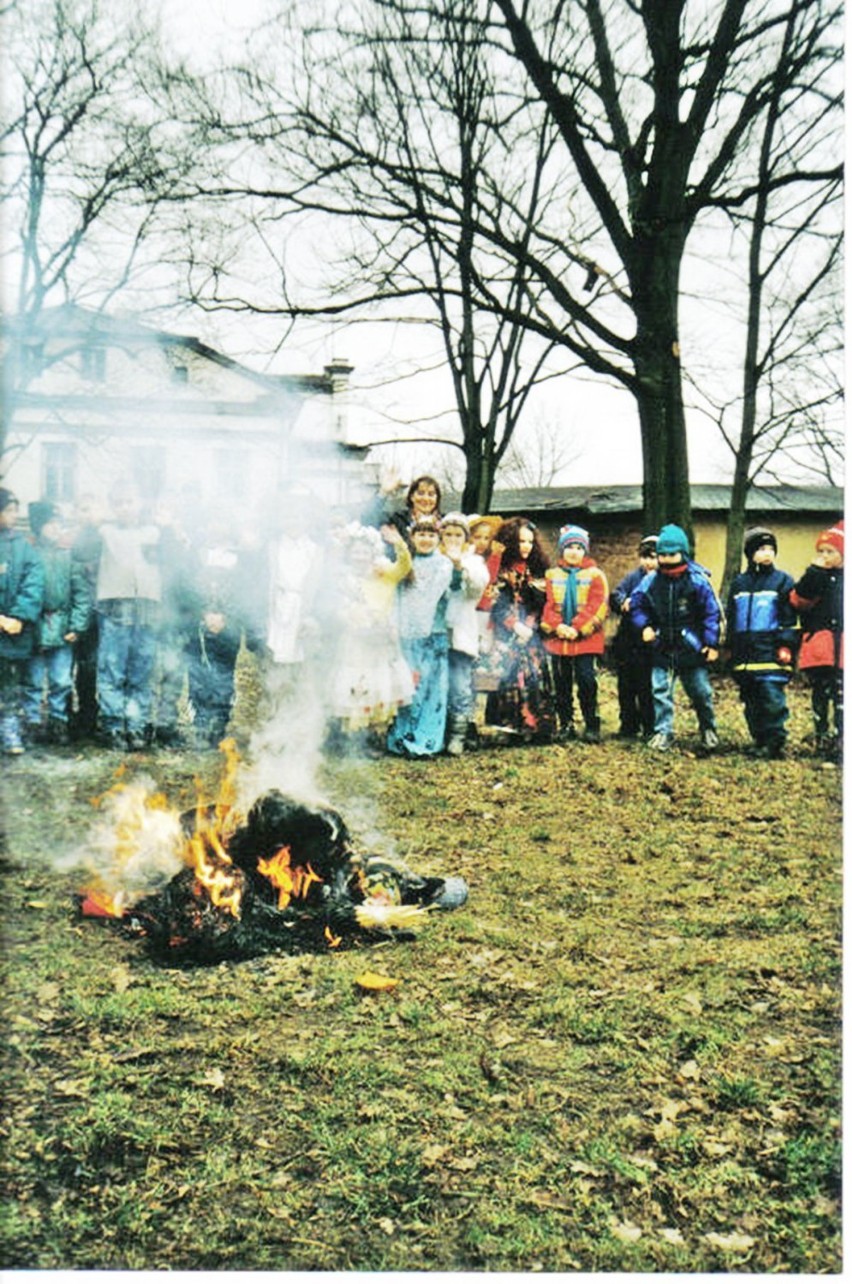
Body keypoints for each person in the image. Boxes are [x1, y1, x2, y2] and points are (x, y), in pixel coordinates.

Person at [629, 522, 722, 753]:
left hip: (691, 645)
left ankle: (708, 728)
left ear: (683, 553)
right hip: (662, 645)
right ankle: (663, 731)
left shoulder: (697, 580)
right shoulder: (650, 581)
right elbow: (636, 605)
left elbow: (712, 613)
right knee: (660, 691)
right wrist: (645, 626)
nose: (668, 559)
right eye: (663, 554)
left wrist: (711, 643)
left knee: (700, 692)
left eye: (672, 554)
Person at [325, 521, 414, 755]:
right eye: (355, 551)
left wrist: (399, 545)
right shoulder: (343, 579)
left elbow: (403, 568)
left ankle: (374, 737)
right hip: (354, 639)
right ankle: (351, 737)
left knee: (378, 684)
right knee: (354, 683)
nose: (360, 556)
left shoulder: (382, 572)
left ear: (373, 552)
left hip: (380, 638)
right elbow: (336, 606)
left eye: (365, 551)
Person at [94, 479, 164, 751]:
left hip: (146, 609)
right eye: (119, 503)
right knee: (112, 668)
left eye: (130, 501)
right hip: (114, 607)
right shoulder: (105, 532)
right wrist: (91, 524)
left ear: (140, 503)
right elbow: (81, 550)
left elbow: (172, 559)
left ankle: (135, 725)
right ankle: (113, 725)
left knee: (141, 669)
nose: (125, 508)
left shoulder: (155, 533)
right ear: (112, 506)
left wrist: (170, 528)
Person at [22, 501, 91, 746]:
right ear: (38, 526)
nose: (55, 529)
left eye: (57, 524)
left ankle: (58, 722)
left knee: (61, 679)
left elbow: (81, 593)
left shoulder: (67, 555)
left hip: (62, 627)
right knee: (32, 679)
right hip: (33, 627)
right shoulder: (26, 553)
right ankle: (31, 723)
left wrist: (77, 625)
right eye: (49, 524)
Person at [725, 527, 797, 760]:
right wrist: (730, 647)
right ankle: (759, 739)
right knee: (751, 699)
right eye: (760, 549)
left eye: (770, 549)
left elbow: (789, 617)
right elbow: (732, 617)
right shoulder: (739, 584)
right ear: (749, 553)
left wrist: (785, 645)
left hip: (771, 653)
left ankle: (775, 741)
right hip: (745, 655)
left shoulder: (782, 581)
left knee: (771, 698)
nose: (766, 554)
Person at [386, 514, 452, 757]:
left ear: (438, 538)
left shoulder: (443, 564)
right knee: (408, 684)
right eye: (421, 534)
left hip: (433, 633)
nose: (426, 539)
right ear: (412, 537)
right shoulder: (405, 562)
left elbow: (431, 595)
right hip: (406, 635)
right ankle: (403, 734)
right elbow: (396, 597)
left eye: (431, 534)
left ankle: (427, 738)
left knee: (432, 687)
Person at [485, 517, 556, 742]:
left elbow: (543, 602)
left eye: (529, 541)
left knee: (535, 676)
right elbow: (496, 602)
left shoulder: (539, 570)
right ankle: (509, 728)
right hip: (506, 633)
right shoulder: (500, 569)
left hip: (531, 634)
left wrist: (529, 624)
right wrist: (513, 624)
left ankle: (537, 727)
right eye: (521, 541)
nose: (526, 546)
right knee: (509, 676)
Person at [540, 523, 608, 743]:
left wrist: (577, 628)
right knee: (561, 683)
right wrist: (557, 625)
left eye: (579, 548)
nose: (574, 552)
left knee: (587, 680)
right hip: (559, 640)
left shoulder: (595, 575)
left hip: (585, 640)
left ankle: (591, 723)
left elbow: (597, 605)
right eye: (570, 547)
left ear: (585, 551)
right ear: (562, 549)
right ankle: (566, 722)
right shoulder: (552, 575)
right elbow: (549, 605)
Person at [789, 520, 844, 760]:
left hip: (843, 649)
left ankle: (841, 738)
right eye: (820, 551)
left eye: (830, 551)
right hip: (820, 647)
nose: (824, 556)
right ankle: (821, 736)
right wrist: (814, 572)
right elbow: (799, 600)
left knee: (842, 696)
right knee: (820, 694)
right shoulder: (815, 576)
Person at [440, 513, 489, 755]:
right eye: (447, 534)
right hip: (435, 632)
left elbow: (476, 589)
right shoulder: (433, 557)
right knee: (437, 683)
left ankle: (458, 734)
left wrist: (459, 566)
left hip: (460, 631)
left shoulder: (474, 563)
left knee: (460, 683)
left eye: (458, 534)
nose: (452, 539)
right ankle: (437, 730)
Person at [0, 488, 44, 755]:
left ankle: (9, 731)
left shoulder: (23, 548)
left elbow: (34, 584)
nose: (13, 515)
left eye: (15, 510)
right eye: (8, 510)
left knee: (10, 686)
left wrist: (17, 617)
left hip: (14, 633)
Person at [609, 535, 659, 739]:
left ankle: (649, 726)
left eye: (654, 557)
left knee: (647, 686)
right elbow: (616, 594)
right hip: (628, 641)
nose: (649, 562)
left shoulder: (662, 581)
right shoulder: (632, 577)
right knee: (626, 686)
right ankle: (628, 725)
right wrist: (623, 601)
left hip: (649, 641)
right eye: (645, 557)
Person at [68, 494, 104, 742]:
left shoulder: (106, 539)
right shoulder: (70, 541)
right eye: (82, 509)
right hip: (77, 610)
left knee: (96, 666)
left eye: (91, 509)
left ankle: (93, 715)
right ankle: (77, 715)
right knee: (78, 665)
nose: (87, 514)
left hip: (103, 609)